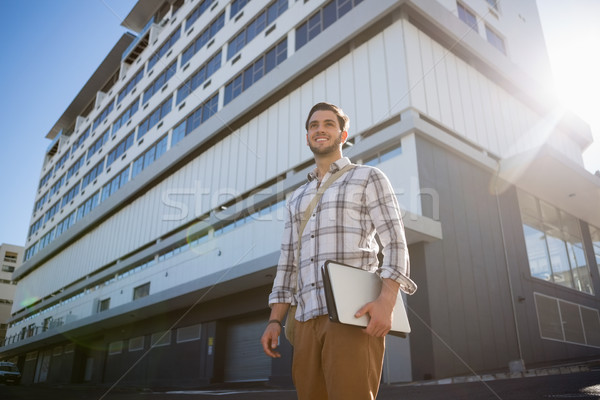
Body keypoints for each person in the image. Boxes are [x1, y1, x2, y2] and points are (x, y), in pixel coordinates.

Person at [260, 102, 416, 400]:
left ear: (343, 134)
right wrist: (274, 320)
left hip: (351, 316)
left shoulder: (368, 177)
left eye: (329, 124)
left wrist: (387, 301)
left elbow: (395, 241)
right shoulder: (296, 198)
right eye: (314, 125)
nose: (320, 129)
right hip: (304, 319)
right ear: (307, 137)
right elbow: (287, 264)